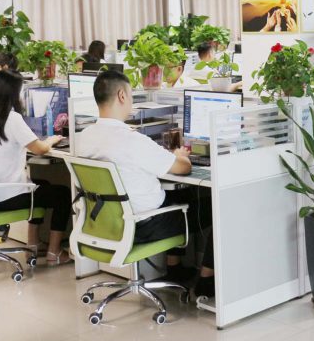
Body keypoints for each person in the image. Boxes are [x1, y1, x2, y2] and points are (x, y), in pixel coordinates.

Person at [76, 70, 215, 298]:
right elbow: (182, 168)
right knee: (214, 208)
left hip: (108, 222)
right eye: (131, 95)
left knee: (181, 196)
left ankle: (174, 268)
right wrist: (180, 155)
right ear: (121, 96)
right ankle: (206, 281)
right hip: (144, 225)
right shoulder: (132, 140)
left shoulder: (86, 136)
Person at [0, 71, 73, 265]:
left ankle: (33, 245)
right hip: (8, 196)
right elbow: (40, 149)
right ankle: (54, 253)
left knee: (43, 183)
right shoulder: (12, 119)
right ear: (14, 93)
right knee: (62, 194)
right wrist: (52, 139)